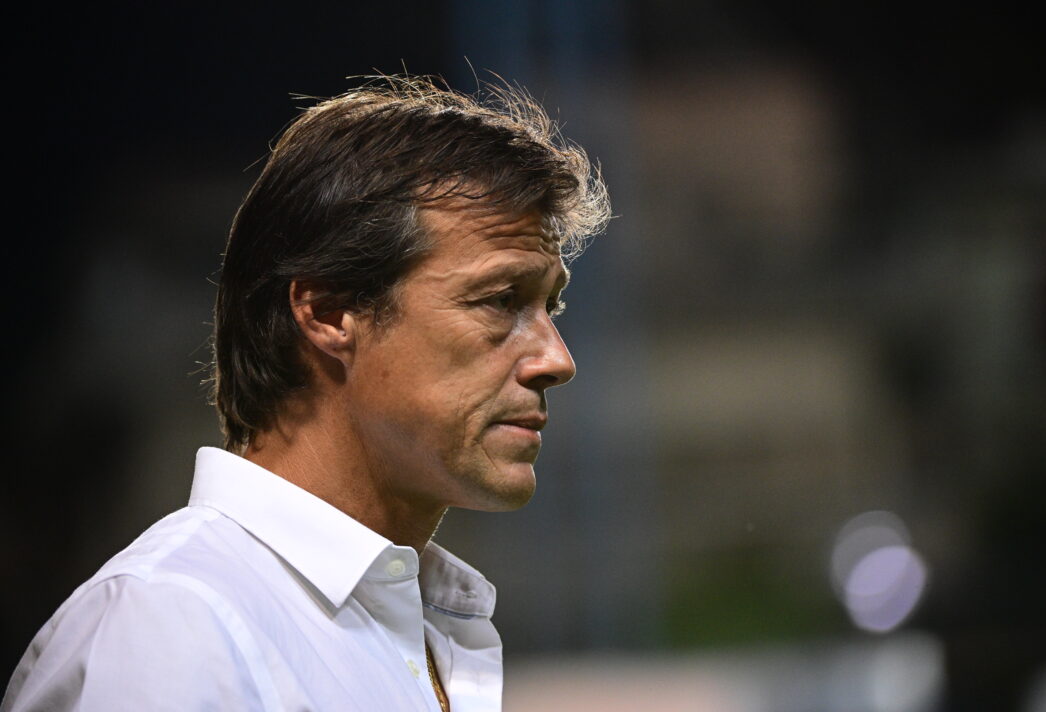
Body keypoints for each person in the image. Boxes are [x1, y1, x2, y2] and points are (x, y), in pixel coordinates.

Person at [2, 75, 609, 712]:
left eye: (550, 306)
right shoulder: (171, 625)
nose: (556, 360)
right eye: (501, 300)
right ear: (328, 313)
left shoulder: (416, 627)